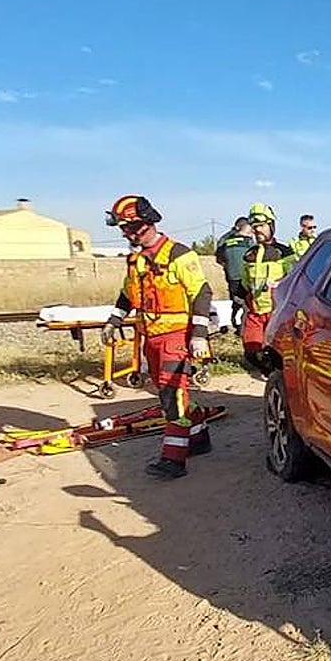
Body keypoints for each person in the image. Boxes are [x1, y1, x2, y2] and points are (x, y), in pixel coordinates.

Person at [102, 195, 213, 480]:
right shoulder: (136, 260)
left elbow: (201, 292)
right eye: (123, 229)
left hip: (176, 337)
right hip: (150, 337)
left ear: (144, 224)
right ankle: (198, 438)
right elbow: (128, 293)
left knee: (171, 395)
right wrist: (114, 319)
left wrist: (199, 335)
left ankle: (173, 459)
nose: (125, 234)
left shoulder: (179, 255)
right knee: (174, 392)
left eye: (128, 228)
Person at [240, 202, 294, 373]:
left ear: (271, 225)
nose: (257, 230)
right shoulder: (249, 255)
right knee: (251, 350)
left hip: (277, 311)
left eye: (262, 226)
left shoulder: (284, 253)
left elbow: (295, 280)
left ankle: (276, 378)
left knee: (278, 353)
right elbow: (245, 283)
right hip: (256, 312)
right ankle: (269, 372)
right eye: (254, 227)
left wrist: (279, 285)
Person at [215, 216, 254, 331]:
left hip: (231, 277)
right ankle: (242, 327)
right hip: (247, 277)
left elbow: (219, 258)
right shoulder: (248, 242)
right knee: (247, 304)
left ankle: (235, 322)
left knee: (236, 301)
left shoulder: (225, 241)